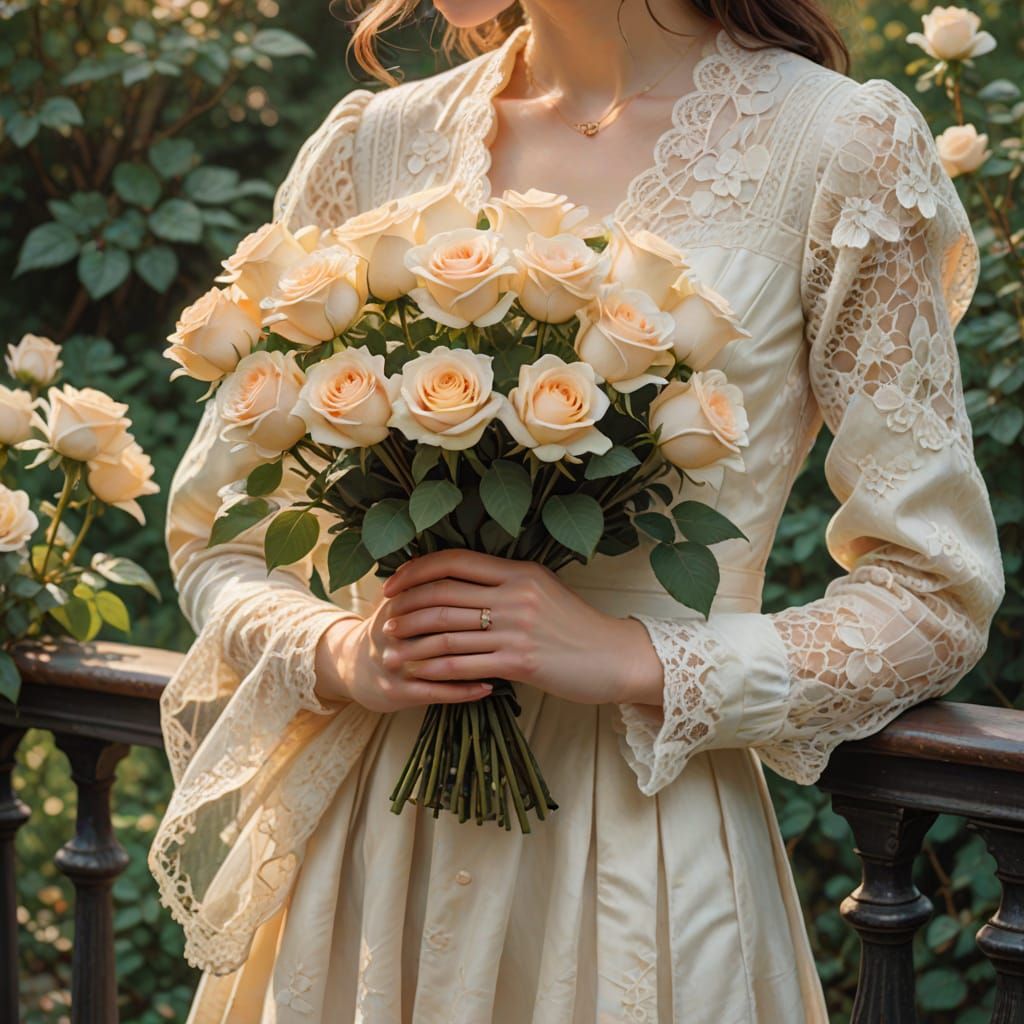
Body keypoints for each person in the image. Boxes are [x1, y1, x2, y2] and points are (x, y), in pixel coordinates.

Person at [148, 1, 1005, 1020]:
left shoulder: (836, 146)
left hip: (635, 866)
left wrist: (646, 659)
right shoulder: (372, 145)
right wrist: (342, 650)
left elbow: (932, 587)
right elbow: (218, 536)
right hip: (362, 877)